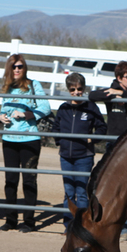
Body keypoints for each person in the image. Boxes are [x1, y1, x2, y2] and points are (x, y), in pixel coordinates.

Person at [88, 61, 127, 240]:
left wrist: (121, 93)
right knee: (109, 182)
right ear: (119, 78)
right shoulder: (110, 91)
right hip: (114, 144)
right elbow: (91, 95)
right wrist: (112, 94)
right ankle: (105, 223)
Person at [0, 54, 51, 233]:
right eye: (13, 67)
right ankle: (10, 220)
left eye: (20, 66)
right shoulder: (7, 88)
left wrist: (26, 115)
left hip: (30, 140)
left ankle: (29, 221)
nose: (17, 69)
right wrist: (0, 117)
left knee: (29, 181)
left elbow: (45, 108)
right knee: (10, 180)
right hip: (9, 140)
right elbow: (4, 109)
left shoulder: (33, 85)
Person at [51, 73, 106, 222]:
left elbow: (102, 127)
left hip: (84, 156)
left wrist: (92, 139)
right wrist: (60, 142)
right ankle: (69, 225)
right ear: (68, 90)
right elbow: (55, 127)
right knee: (69, 192)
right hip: (65, 156)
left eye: (79, 89)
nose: (76, 92)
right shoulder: (63, 108)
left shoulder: (91, 107)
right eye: (73, 89)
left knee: (82, 192)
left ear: (84, 88)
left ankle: (81, 224)